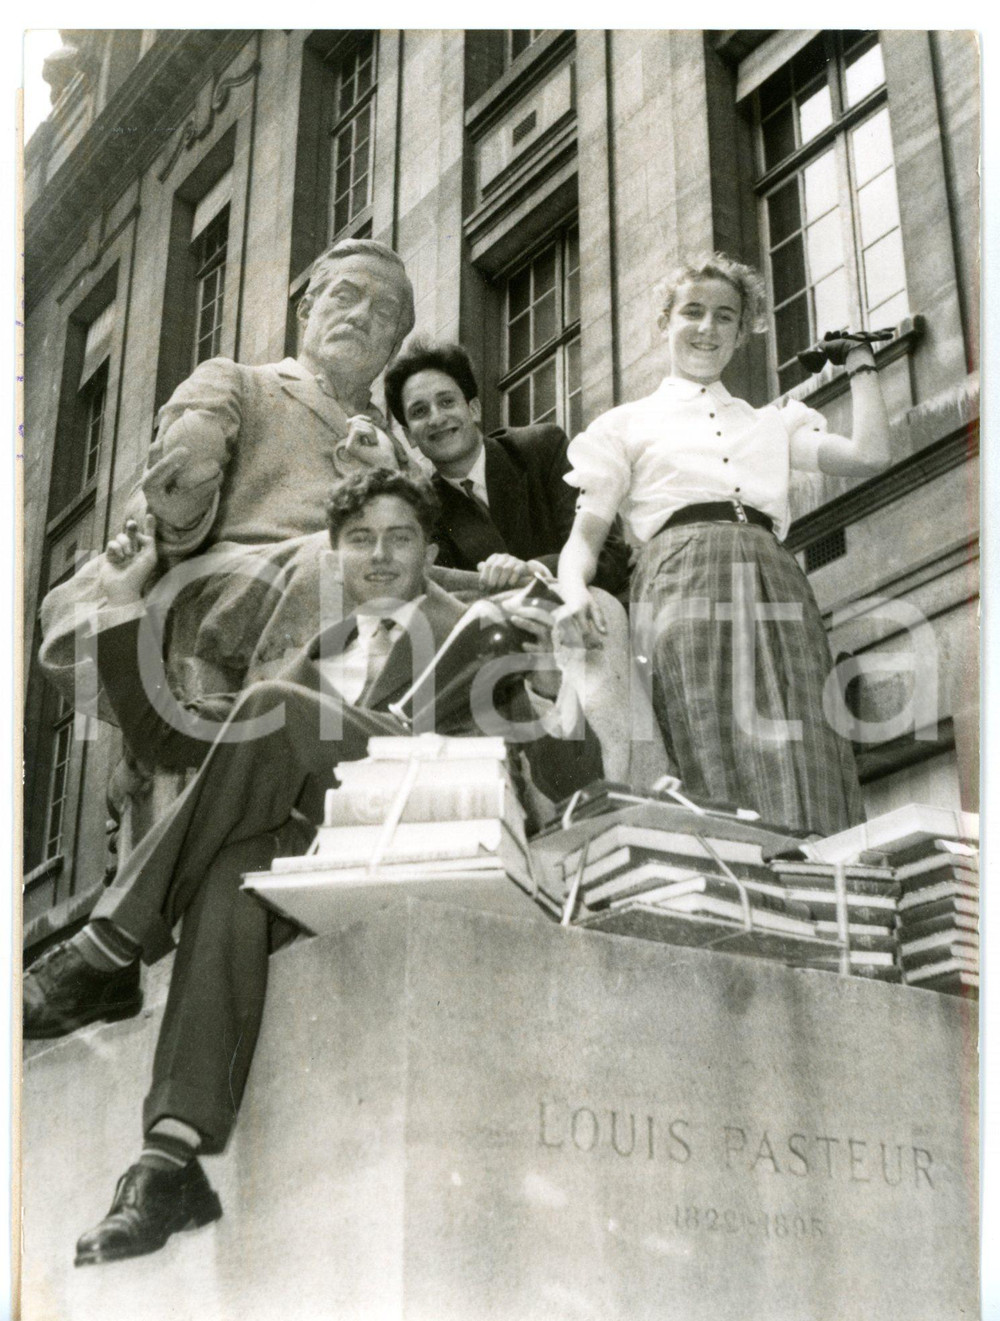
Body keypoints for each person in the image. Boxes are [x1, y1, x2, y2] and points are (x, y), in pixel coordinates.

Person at [24, 468, 602, 1266]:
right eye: (361, 539)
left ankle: (113, 946)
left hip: (432, 834)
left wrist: (556, 678)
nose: (380, 555)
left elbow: (575, 781)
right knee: (232, 868)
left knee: (276, 714)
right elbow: (172, 735)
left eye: (401, 537)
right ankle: (169, 1160)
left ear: (431, 550)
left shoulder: (482, 625)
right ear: (335, 556)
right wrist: (124, 601)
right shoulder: (311, 663)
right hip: (320, 860)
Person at [556, 252, 892, 836]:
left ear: (742, 332)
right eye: (693, 312)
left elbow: (870, 455)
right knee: (706, 732)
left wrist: (861, 361)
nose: (708, 328)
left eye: (725, 317)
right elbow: (583, 537)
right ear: (665, 323)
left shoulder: (773, 423)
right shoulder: (624, 426)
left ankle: (821, 885)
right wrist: (571, 591)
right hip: (680, 579)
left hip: (774, 577)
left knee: (801, 732)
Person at [39, 237, 417, 715]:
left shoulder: (397, 449)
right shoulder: (237, 382)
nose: (362, 315)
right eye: (345, 295)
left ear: (392, 346)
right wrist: (181, 502)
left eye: (384, 312)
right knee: (343, 563)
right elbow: (149, 509)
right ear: (307, 308)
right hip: (237, 591)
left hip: (353, 590)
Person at [383, 339, 630, 596]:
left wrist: (532, 570)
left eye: (446, 402)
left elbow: (608, 550)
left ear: (474, 409)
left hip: (600, 607)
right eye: (420, 411)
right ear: (409, 435)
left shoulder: (542, 448)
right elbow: (438, 592)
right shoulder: (426, 509)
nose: (436, 418)